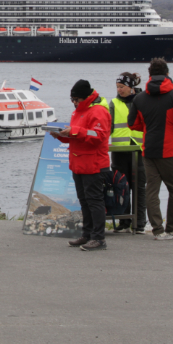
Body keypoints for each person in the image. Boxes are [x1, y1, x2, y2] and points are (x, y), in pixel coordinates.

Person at [127, 58, 173, 240]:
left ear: (149, 75)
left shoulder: (140, 98)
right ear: (167, 74)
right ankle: (171, 228)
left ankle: (158, 230)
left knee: (151, 191)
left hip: (149, 150)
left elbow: (132, 124)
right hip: (170, 151)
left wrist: (148, 127)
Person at [52, 80, 111, 251]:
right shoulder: (78, 112)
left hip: (94, 163)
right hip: (79, 162)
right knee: (85, 201)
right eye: (72, 99)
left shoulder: (99, 111)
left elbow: (98, 135)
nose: (74, 102)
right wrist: (61, 136)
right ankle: (87, 234)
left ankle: (99, 238)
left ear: (85, 97)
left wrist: (75, 131)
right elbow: (77, 134)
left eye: (76, 99)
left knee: (94, 201)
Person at [109, 72, 147, 233]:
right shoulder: (113, 103)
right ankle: (124, 222)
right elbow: (108, 127)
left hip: (138, 151)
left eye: (122, 87)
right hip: (119, 151)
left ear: (131, 87)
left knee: (139, 187)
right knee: (121, 187)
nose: (119, 90)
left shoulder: (143, 101)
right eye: (117, 87)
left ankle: (139, 224)